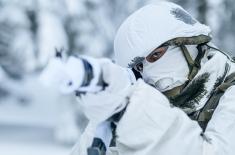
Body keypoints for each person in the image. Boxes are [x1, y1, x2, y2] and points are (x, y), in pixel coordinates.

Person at [41, 1, 235, 155]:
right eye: (139, 68)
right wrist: (108, 118)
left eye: (156, 56)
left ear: (190, 45)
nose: (148, 74)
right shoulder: (155, 106)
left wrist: (129, 108)